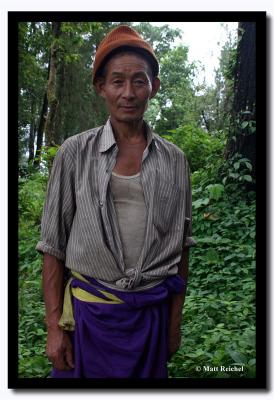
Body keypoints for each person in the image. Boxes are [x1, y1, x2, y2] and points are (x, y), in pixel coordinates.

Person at [36, 25, 196, 379]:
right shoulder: (75, 154)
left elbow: (182, 248)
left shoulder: (175, 160)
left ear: (153, 87)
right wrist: (53, 328)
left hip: (150, 319)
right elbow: (53, 246)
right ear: (101, 87)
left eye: (139, 81)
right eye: (118, 81)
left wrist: (173, 323)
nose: (129, 92)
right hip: (88, 319)